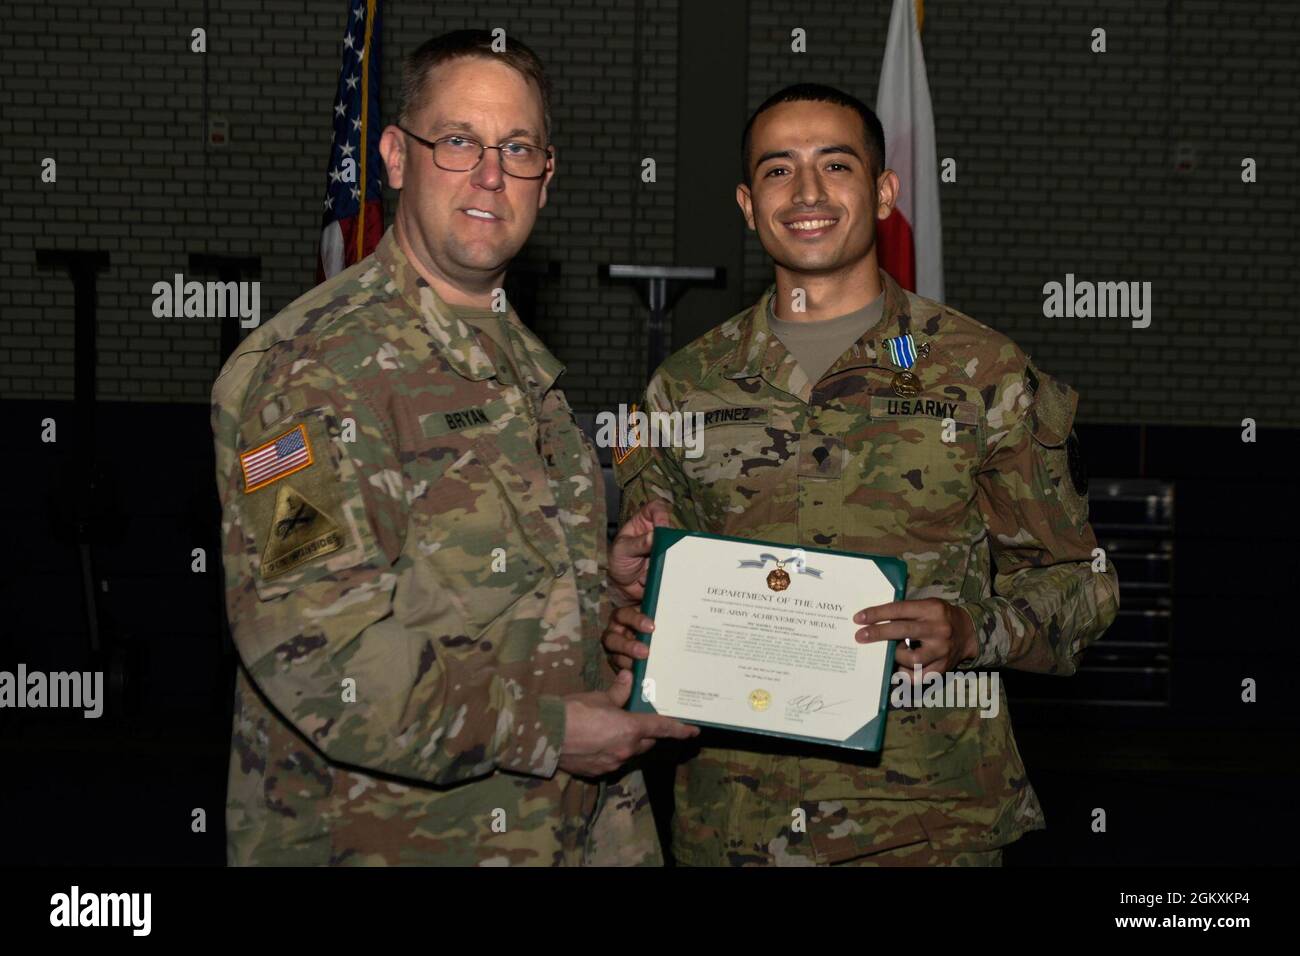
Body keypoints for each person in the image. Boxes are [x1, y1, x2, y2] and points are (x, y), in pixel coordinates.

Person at [211, 29, 695, 867]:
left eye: (518, 147)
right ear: (397, 156)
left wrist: (602, 589)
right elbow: (315, 650)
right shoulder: (316, 368)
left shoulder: (516, 357)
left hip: (557, 829)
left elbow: (480, 583)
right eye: (459, 141)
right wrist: (546, 731)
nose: (490, 175)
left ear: (549, 174)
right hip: (395, 839)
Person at [604, 83, 1119, 866]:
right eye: (778, 171)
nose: (807, 192)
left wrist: (975, 630)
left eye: (835, 165)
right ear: (747, 204)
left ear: (883, 192)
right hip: (737, 821)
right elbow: (655, 590)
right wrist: (627, 615)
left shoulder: (983, 373)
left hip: (927, 821)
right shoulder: (684, 388)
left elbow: (1083, 583)